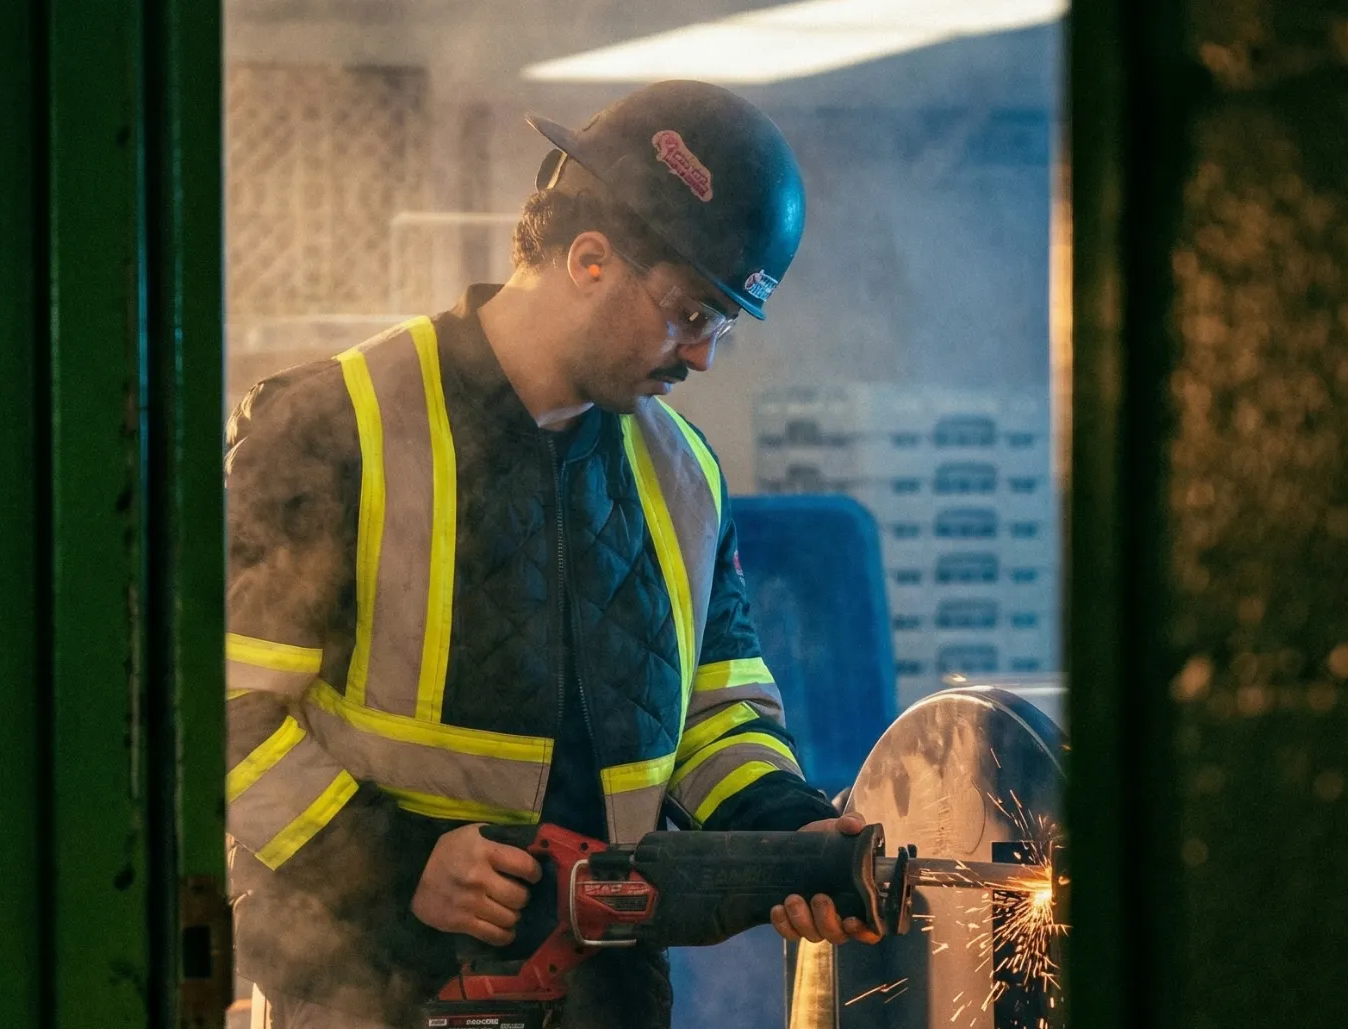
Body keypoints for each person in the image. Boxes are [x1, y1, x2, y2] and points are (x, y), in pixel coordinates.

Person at [224, 79, 878, 1029]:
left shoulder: (683, 473)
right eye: (691, 314)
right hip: (379, 992)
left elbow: (717, 715)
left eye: (723, 325)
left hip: (606, 996)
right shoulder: (340, 426)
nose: (700, 358)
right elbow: (216, 715)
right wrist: (400, 862)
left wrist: (790, 832)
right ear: (588, 259)